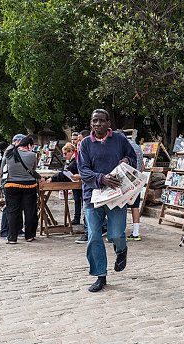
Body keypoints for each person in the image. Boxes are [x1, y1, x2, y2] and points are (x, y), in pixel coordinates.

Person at [78, 109, 137, 292]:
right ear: (91, 123)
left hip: (116, 195)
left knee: (116, 234)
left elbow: (132, 158)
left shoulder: (119, 139)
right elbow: (83, 171)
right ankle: (100, 275)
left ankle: (121, 250)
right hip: (93, 196)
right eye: (94, 121)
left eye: (101, 121)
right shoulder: (86, 144)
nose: (98, 124)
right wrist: (101, 178)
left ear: (109, 123)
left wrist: (126, 160)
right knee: (94, 236)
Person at [1, 136, 40, 244]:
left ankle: (12, 237)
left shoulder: (8, 154)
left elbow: (3, 169)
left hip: (11, 185)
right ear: (29, 145)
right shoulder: (32, 155)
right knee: (30, 211)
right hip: (29, 186)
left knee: (12, 212)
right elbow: (33, 170)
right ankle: (29, 235)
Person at [116, 129, 144, 241]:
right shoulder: (137, 147)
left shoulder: (122, 148)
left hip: (125, 181)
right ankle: (136, 232)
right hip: (137, 180)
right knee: (135, 206)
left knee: (121, 205)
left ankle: (120, 232)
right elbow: (142, 166)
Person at [46, 142, 82, 225]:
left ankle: (80, 218)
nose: (64, 156)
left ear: (71, 152)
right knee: (77, 199)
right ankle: (77, 218)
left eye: (65, 153)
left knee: (81, 200)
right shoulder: (72, 160)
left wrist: (52, 178)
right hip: (76, 183)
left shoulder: (75, 160)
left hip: (80, 182)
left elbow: (67, 171)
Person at [0, 134, 26, 240]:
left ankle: (17, 228)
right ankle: (4, 230)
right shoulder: (11, 151)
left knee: (17, 206)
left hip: (11, 180)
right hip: (8, 181)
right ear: (18, 141)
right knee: (9, 207)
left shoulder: (12, 150)